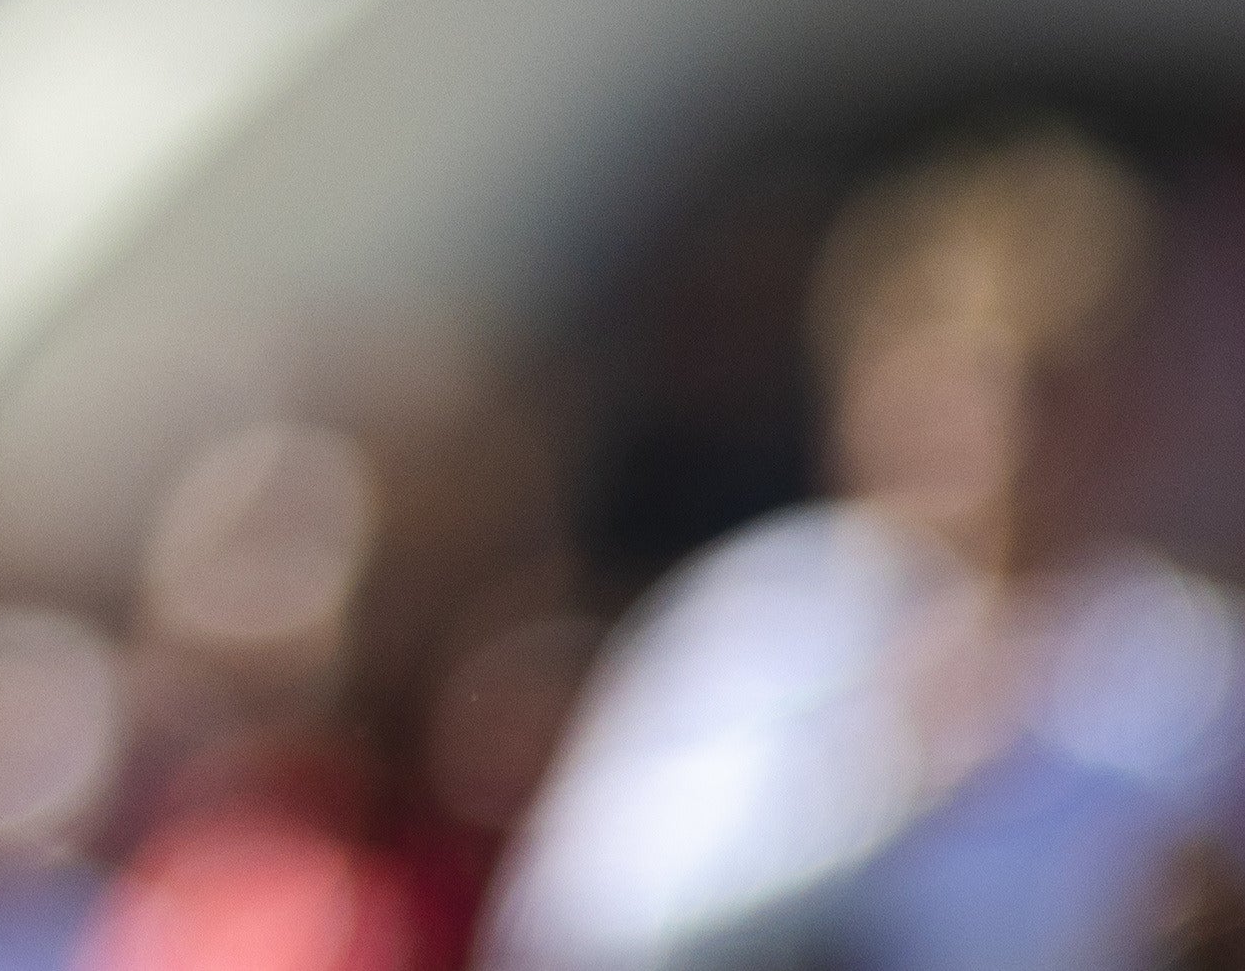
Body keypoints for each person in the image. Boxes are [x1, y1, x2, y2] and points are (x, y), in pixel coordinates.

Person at [481, 129, 1242, 971]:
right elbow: (584, 930)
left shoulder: (1188, 668)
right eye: (964, 392)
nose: (1006, 448)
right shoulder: (763, 615)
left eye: (1061, 398)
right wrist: (889, 772)